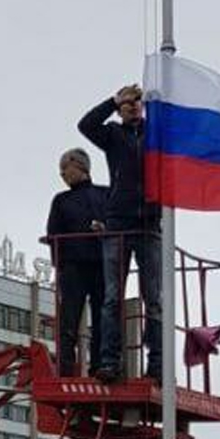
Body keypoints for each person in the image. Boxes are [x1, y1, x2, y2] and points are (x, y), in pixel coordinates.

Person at [79, 84, 162, 383]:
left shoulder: (157, 134)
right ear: (119, 108)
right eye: (127, 103)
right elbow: (86, 125)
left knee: (153, 299)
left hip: (150, 224)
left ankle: (157, 366)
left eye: (137, 101)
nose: (132, 106)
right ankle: (109, 363)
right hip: (118, 224)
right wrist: (112, 100)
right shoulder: (113, 135)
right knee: (113, 297)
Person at [46, 148, 107, 377]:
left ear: (81, 166)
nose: (62, 174)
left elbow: (116, 223)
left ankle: (101, 364)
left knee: (103, 318)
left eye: (65, 168)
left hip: (100, 264)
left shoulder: (105, 194)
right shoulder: (61, 200)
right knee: (69, 320)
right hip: (73, 267)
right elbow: (53, 234)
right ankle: (66, 368)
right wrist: (59, 266)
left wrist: (105, 229)